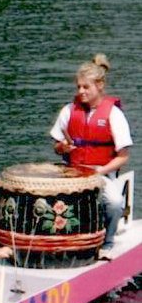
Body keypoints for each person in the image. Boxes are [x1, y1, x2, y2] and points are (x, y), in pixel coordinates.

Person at [50, 53, 133, 250]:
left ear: (100, 86)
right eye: (78, 87)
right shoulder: (69, 111)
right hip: (72, 171)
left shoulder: (114, 114)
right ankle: (60, 241)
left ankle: (108, 242)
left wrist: (98, 172)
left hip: (100, 172)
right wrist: (62, 147)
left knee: (114, 202)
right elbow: (56, 146)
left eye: (86, 87)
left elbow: (123, 157)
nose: (81, 91)